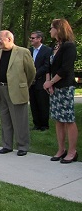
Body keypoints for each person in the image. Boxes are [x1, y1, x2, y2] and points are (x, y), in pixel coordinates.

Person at [0, 30, 35, 156]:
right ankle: (7, 145)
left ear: (9, 39)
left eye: (1, 39)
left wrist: (23, 85)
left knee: (19, 120)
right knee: (5, 119)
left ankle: (22, 146)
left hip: (17, 90)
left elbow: (31, 72)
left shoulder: (23, 52)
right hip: (1, 90)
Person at [43, 19, 78, 164]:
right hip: (54, 88)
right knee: (58, 119)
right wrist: (48, 83)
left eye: (51, 28)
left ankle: (72, 151)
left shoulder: (69, 46)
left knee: (68, 119)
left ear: (59, 29)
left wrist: (51, 81)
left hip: (65, 87)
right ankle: (61, 149)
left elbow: (65, 68)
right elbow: (49, 66)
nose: (50, 31)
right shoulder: (55, 46)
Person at [28, 31, 52, 131]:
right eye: (31, 38)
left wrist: (35, 74)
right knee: (33, 103)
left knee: (43, 103)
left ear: (39, 39)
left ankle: (44, 125)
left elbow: (47, 66)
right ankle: (36, 124)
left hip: (41, 80)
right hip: (31, 82)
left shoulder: (47, 50)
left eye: (33, 38)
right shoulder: (29, 51)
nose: (31, 40)